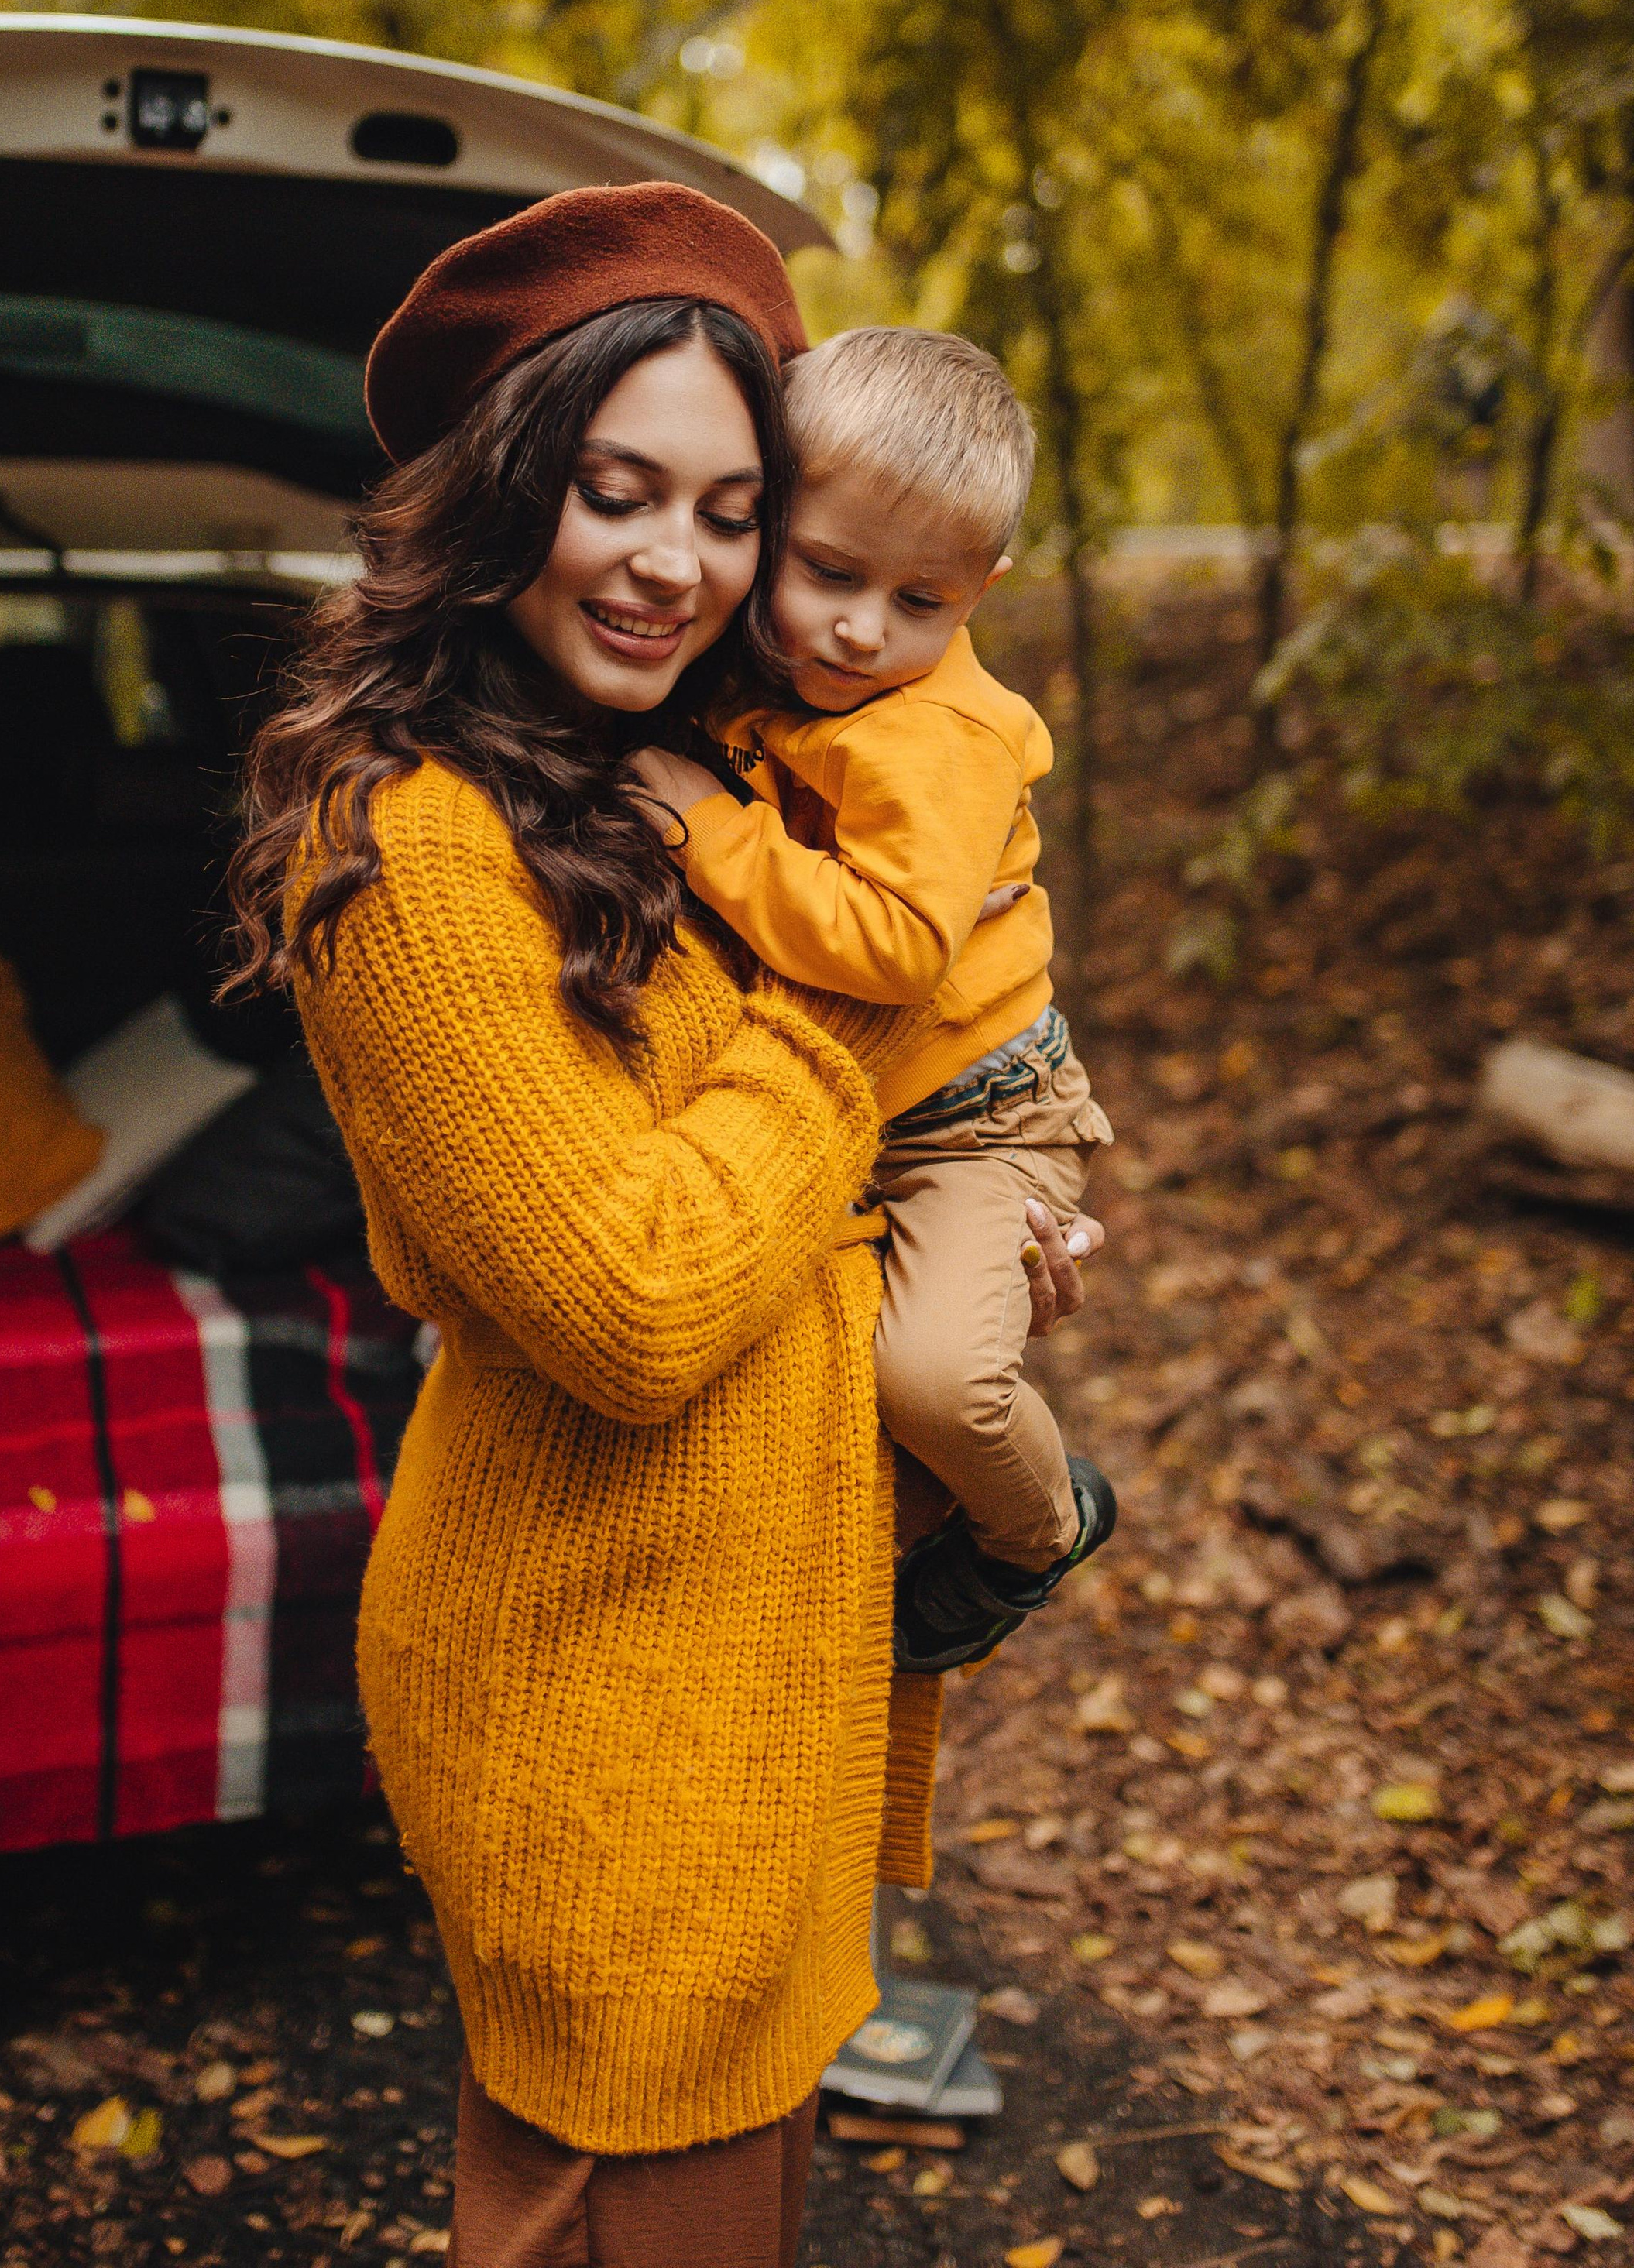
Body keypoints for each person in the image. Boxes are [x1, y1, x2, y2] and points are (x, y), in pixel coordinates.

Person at [225, 186, 1096, 2268]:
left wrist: (952, 1234)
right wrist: (869, 1019)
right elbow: (635, 1299)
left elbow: (766, 1173)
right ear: (505, 487)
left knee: (725, 2197)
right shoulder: (410, 841)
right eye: (616, 493)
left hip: (753, 1658)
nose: (674, 564)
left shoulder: (670, 769)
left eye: (728, 514)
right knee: (616, 2215)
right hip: (601, 1691)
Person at [627, 326, 1115, 1676]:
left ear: (983, 592)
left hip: (979, 1123)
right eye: (830, 572)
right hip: (854, 1113)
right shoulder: (763, 676)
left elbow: (898, 949)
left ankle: (1038, 1528)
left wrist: (707, 831)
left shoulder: (937, 736)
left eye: (922, 601)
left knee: (937, 1385)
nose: (860, 629)